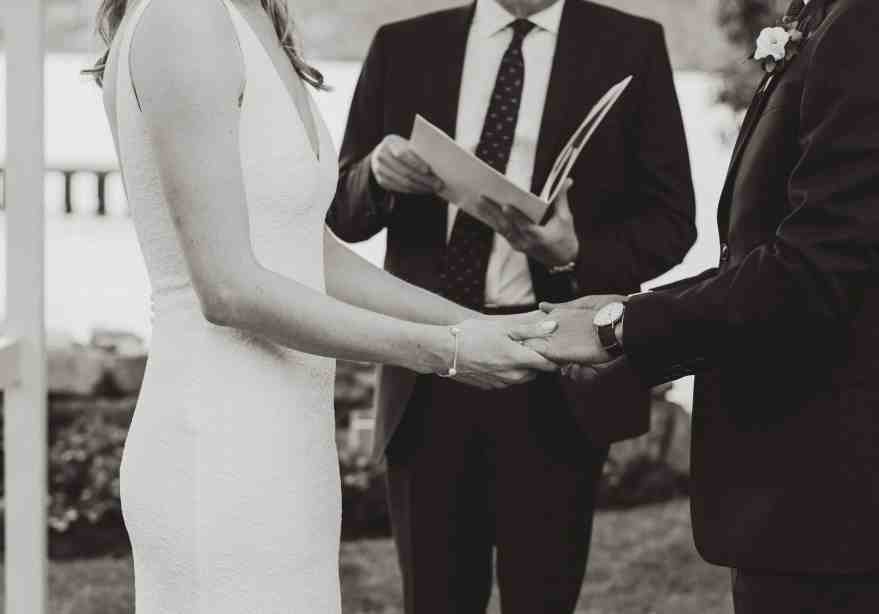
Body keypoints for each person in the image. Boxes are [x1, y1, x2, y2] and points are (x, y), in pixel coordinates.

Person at [87, 0, 558, 611]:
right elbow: (228, 289)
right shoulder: (186, 17)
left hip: (287, 443)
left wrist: (478, 324)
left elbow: (312, 254)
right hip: (219, 445)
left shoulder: (250, 17)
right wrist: (448, 354)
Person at [517, 0, 879, 612]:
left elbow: (816, 271)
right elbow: (772, 252)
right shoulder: (838, 15)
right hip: (809, 493)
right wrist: (634, 310)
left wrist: (621, 328)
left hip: (842, 492)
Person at [328, 0, 696, 612]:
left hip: (556, 371)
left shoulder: (630, 45)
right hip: (427, 366)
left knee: (543, 597)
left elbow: (672, 222)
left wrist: (574, 253)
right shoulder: (404, 44)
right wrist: (375, 173)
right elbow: (341, 209)